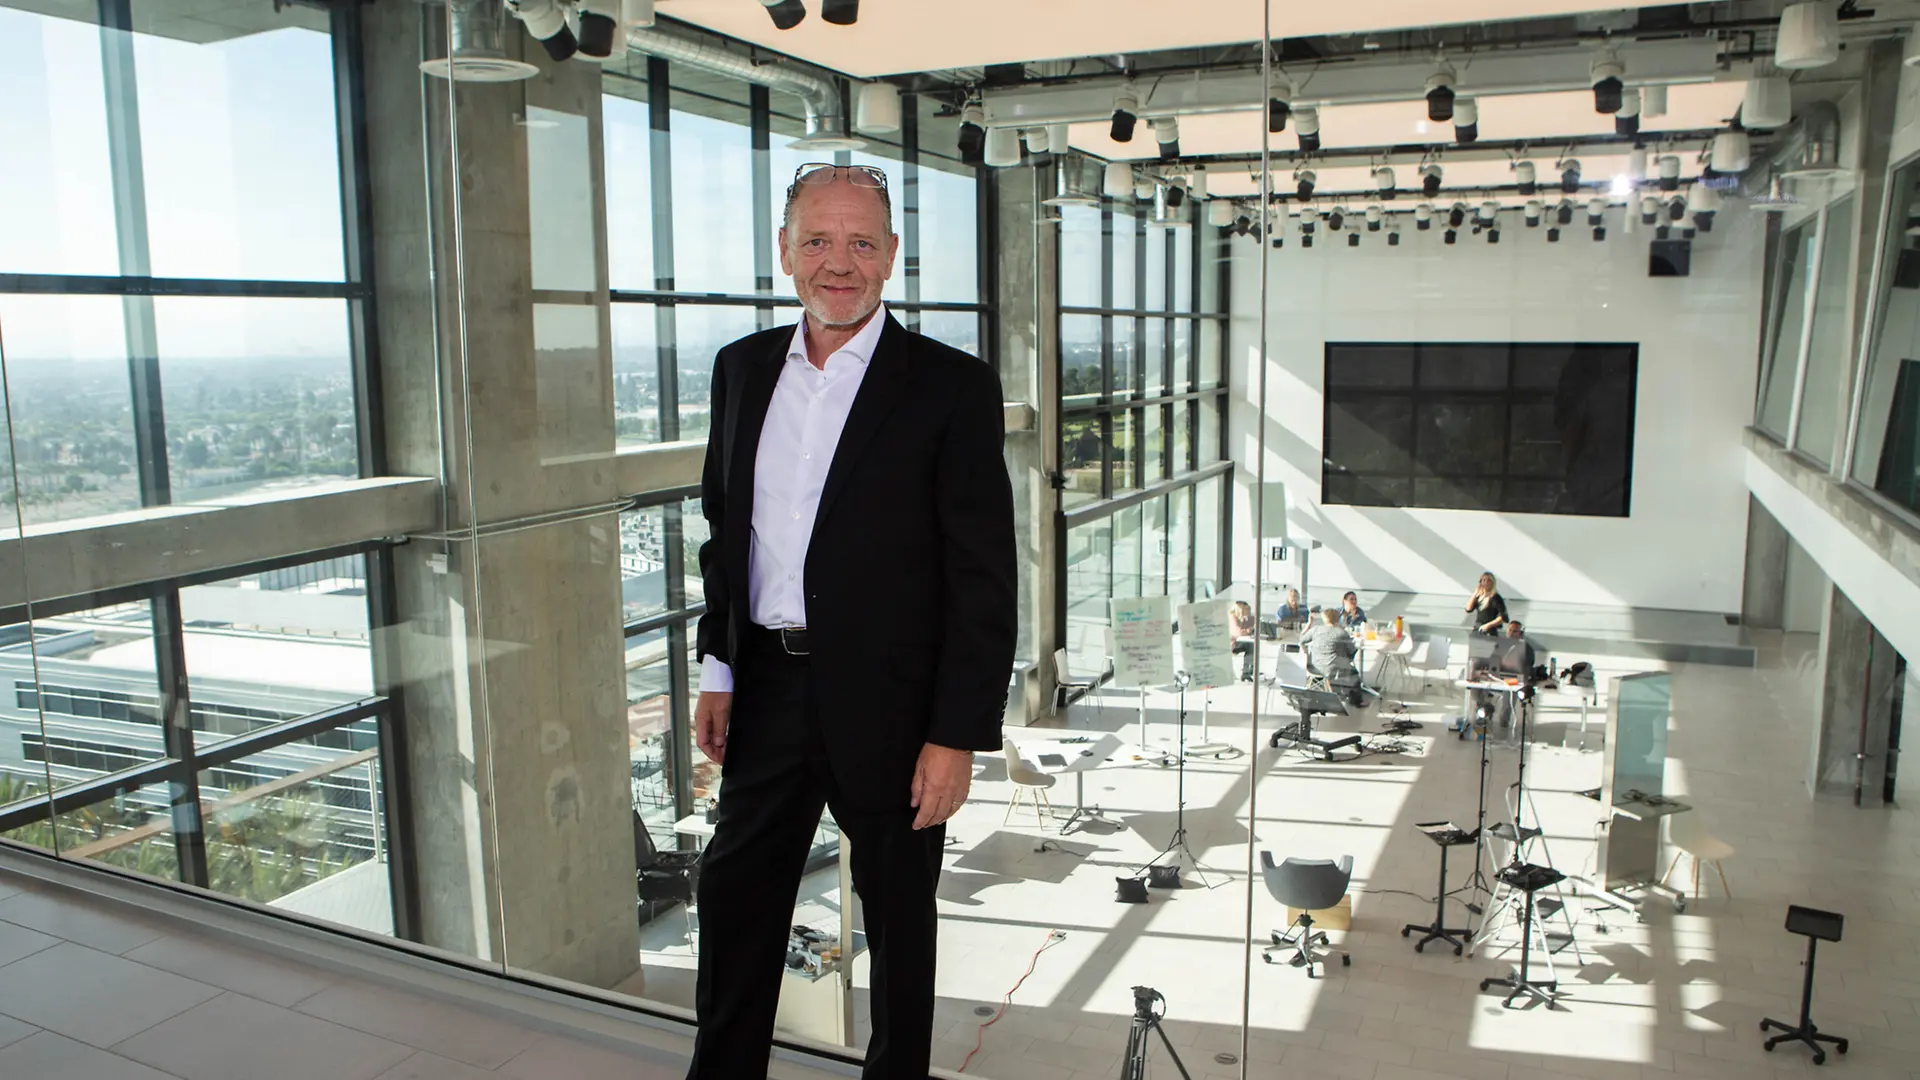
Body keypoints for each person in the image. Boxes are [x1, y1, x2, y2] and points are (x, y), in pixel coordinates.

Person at [686, 163, 1017, 1080]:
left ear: (892, 258)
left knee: (900, 928)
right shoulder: (741, 369)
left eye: (862, 243)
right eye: (820, 241)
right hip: (767, 693)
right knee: (735, 901)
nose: (841, 263)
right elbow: (726, 531)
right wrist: (719, 669)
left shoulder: (951, 386)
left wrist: (957, 735)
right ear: (786, 251)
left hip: (896, 708)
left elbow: (982, 577)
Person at [1298, 608, 1364, 706]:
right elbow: (1351, 651)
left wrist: (1309, 623)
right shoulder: (1341, 632)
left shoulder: (1316, 629)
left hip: (1314, 666)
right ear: (1337, 619)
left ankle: (1335, 691)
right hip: (1333, 668)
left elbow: (1301, 639)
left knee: (1340, 664)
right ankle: (1356, 701)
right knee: (1354, 673)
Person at [1230, 601, 1257, 682]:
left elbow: (1254, 627)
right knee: (1250, 646)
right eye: (1247, 609)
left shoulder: (1245, 618)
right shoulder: (1233, 617)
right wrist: (1249, 630)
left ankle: (1247, 672)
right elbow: (1238, 632)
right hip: (1232, 643)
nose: (1249, 611)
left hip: (1241, 641)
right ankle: (1246, 672)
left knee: (1252, 646)